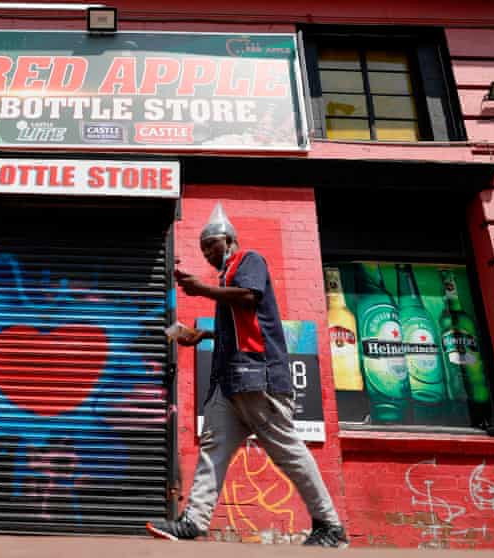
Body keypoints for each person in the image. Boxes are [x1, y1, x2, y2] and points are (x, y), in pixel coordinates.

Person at [146, 203, 348, 547]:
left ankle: (331, 527)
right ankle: (194, 520)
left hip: (259, 380)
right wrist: (201, 336)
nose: (208, 253)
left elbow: (249, 298)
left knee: (289, 452)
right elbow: (241, 326)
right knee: (213, 446)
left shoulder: (249, 261)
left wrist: (202, 290)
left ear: (228, 240)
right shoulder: (226, 280)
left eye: (210, 245)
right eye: (203, 248)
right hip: (230, 385)